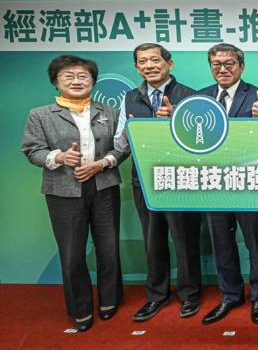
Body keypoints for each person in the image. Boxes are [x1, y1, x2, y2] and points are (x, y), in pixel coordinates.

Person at [22, 55, 125, 331]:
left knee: (108, 248)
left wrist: (101, 164)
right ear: (56, 82)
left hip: (104, 186)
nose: (77, 81)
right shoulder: (40, 114)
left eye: (83, 76)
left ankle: (110, 300)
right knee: (72, 253)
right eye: (68, 76)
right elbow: (32, 150)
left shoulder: (110, 112)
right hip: (63, 191)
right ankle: (80, 308)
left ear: (93, 81)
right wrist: (59, 157)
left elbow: (122, 147)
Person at [115, 43, 203, 322]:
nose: (149, 66)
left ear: (169, 64)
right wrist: (129, 132)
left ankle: (189, 294)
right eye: (143, 62)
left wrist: (177, 119)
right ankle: (156, 295)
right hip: (144, 180)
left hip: (181, 180)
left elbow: (201, 143)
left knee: (185, 240)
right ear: (136, 67)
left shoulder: (190, 96)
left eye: (155, 60)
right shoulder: (129, 98)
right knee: (152, 242)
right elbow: (120, 143)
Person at [196, 44, 258, 325]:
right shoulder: (200, 98)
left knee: (254, 242)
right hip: (214, 183)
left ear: (241, 66)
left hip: (248, 183)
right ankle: (230, 295)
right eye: (216, 64)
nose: (223, 69)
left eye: (229, 63)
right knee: (221, 241)